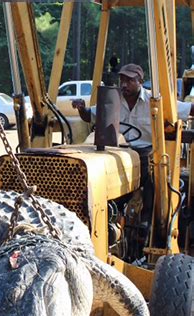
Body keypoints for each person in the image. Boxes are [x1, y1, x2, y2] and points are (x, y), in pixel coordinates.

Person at [72, 63, 194, 221]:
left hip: (145, 153)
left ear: (140, 81)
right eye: (122, 80)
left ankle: (148, 221)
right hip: (118, 152)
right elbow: (90, 115)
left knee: (153, 180)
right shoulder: (113, 99)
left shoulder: (155, 101)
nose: (124, 84)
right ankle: (109, 215)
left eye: (129, 81)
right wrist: (82, 109)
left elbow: (188, 109)